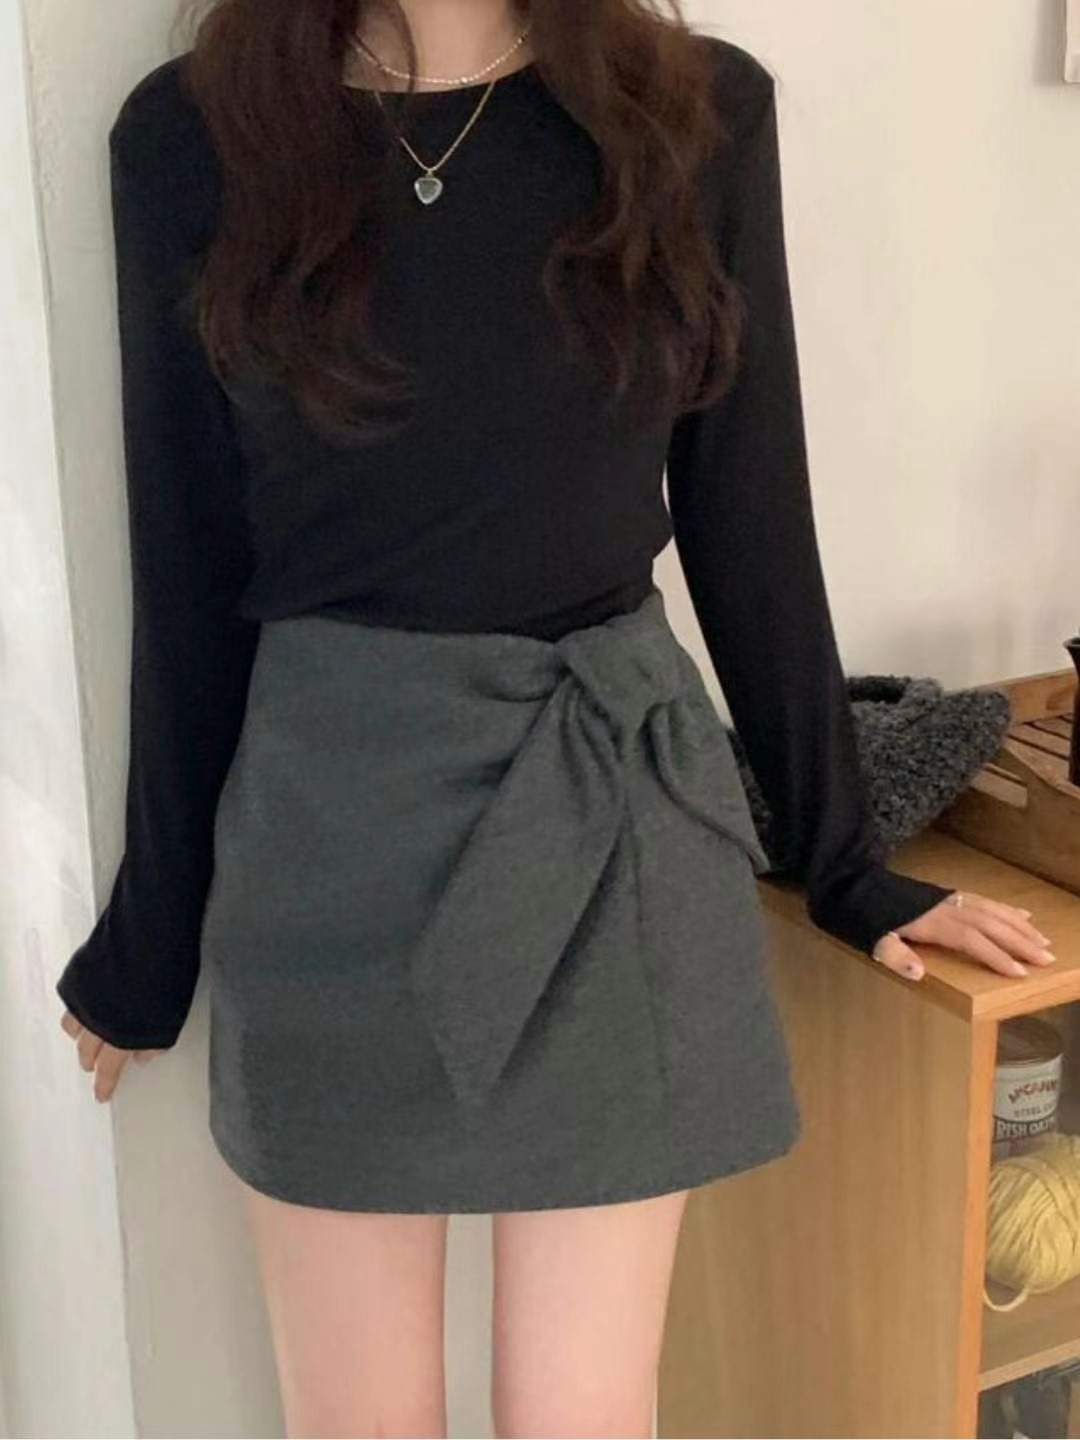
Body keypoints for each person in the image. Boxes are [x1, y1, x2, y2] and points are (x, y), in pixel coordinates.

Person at [54, 2, 1055, 1435]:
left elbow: (750, 515)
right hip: (330, 835)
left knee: (579, 1410)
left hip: (610, 817)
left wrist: (843, 863)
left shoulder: (691, 116)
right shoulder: (196, 138)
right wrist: (151, 937)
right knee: (357, 1422)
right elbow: (187, 560)